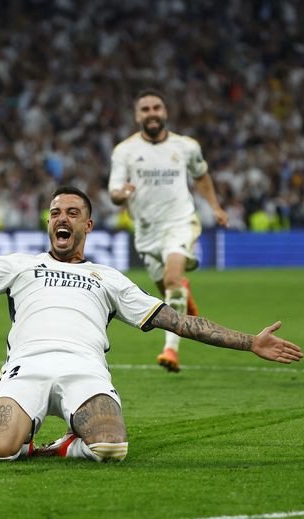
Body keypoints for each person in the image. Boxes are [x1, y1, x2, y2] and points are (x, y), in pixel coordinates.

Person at [0, 186, 303, 462]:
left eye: (72, 212)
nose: (62, 217)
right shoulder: (17, 265)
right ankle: (32, 440)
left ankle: (62, 446)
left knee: (113, 448)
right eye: (55, 212)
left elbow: (176, 321)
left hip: (84, 371)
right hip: (25, 370)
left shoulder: (108, 278)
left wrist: (248, 342)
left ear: (88, 226)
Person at [108, 89, 229, 373]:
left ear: (165, 112)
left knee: (173, 278)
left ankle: (170, 351)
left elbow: (201, 176)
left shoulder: (186, 146)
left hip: (180, 221)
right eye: (145, 109)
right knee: (167, 290)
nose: (152, 113)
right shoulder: (124, 151)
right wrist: (121, 194)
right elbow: (113, 190)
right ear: (138, 116)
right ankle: (183, 295)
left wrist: (215, 207)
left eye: (156, 108)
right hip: (147, 230)